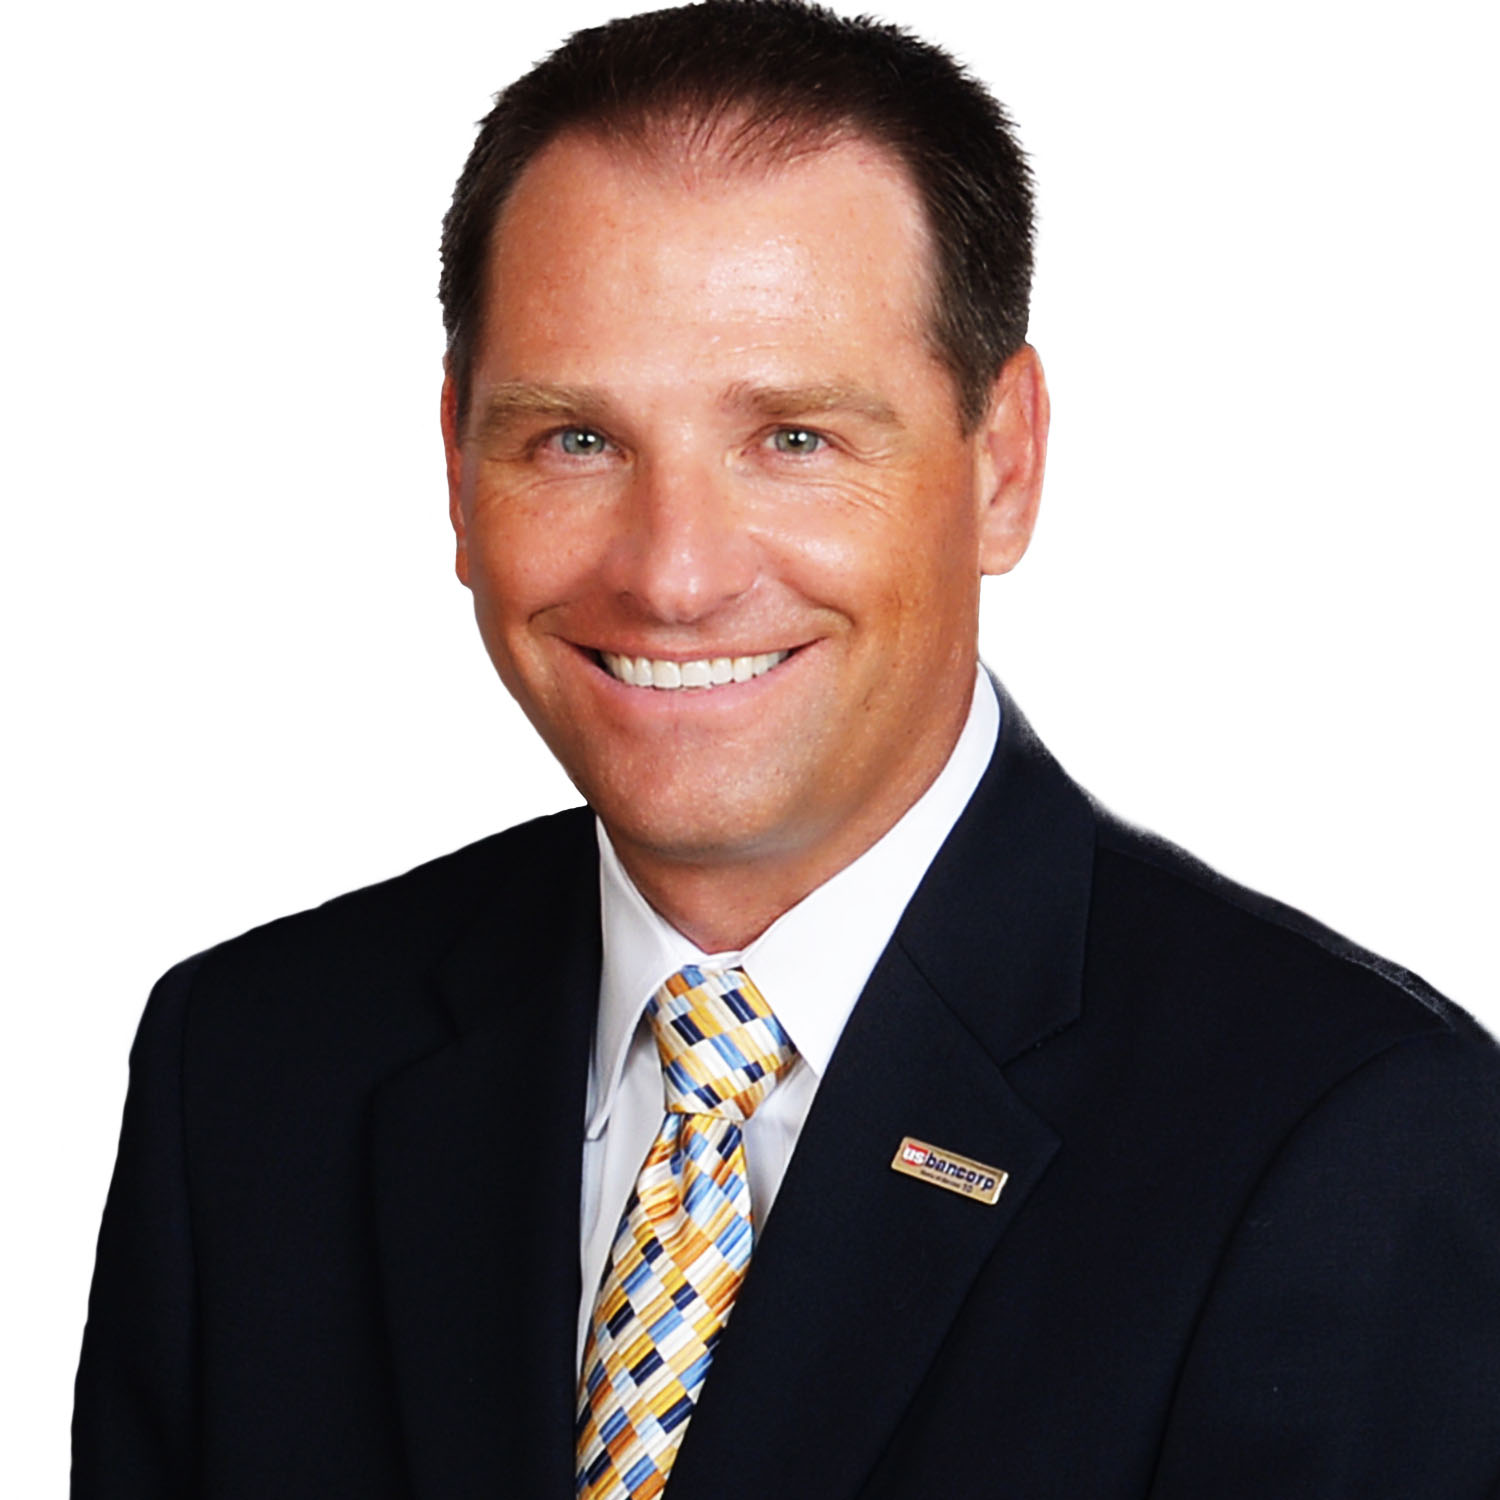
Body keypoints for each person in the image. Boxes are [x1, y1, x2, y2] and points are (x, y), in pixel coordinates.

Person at [72, 3, 1500, 1496]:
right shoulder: (249, 1071)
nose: (674, 575)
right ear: (455, 465)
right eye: (575, 440)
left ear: (1003, 464)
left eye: (795, 439)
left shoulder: (1345, 1139)